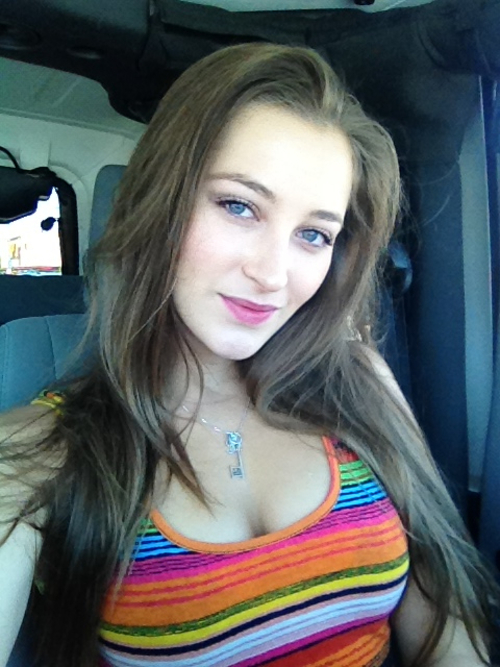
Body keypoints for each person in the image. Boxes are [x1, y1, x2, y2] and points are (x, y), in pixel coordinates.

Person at [0, 43, 497, 667]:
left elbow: (445, 618)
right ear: (159, 199)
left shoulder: (360, 385)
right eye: (239, 206)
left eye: (313, 234)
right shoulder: (39, 454)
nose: (272, 274)